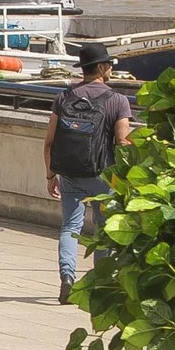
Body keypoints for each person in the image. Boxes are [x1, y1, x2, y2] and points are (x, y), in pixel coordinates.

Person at [45, 40, 134, 305]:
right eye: (110, 65)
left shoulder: (63, 97)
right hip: (103, 175)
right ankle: (101, 284)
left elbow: (49, 141)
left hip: (70, 173)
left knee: (70, 227)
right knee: (103, 231)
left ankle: (67, 278)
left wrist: (51, 175)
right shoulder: (117, 100)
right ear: (102, 67)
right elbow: (123, 143)